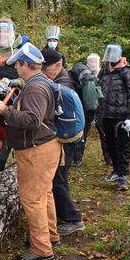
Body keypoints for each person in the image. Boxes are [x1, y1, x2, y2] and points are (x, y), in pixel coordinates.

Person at [0, 43, 61, 260]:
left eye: (18, 65)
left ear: (27, 65)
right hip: (45, 148)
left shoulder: (35, 88)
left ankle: (41, 249)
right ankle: (51, 235)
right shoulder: (39, 82)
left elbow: (32, 120)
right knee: (44, 194)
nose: (16, 69)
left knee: (31, 199)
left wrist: (5, 111)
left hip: (36, 151)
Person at [41, 48, 86, 237]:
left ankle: (73, 219)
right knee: (60, 178)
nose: (43, 72)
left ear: (56, 66)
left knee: (57, 179)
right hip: (68, 138)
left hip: (65, 139)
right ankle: (64, 214)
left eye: (45, 68)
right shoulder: (60, 80)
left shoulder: (62, 82)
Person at [98, 44, 130, 191]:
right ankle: (116, 170)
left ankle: (123, 177)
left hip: (121, 116)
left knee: (123, 147)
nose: (110, 57)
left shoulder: (126, 72)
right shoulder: (104, 71)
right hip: (106, 115)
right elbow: (97, 90)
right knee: (110, 146)